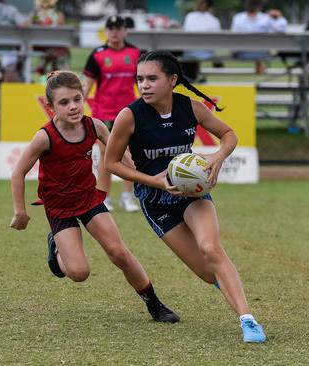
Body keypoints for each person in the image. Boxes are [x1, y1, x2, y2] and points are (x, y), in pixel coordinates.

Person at [104, 50, 267, 343]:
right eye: (140, 79)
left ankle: (248, 320)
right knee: (207, 273)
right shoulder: (129, 116)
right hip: (156, 202)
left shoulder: (191, 108)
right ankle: (230, 287)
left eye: (152, 78)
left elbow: (229, 134)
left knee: (211, 249)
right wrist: (152, 180)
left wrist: (218, 156)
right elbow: (111, 163)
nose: (145, 85)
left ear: (172, 80)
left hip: (192, 194)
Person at [10, 70, 179, 324]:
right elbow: (18, 172)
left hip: (89, 199)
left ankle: (154, 303)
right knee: (79, 273)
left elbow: (120, 155)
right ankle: (55, 248)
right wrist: (20, 212)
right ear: (50, 106)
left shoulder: (95, 126)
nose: (73, 107)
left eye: (77, 99)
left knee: (118, 252)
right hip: (59, 207)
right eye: (64, 103)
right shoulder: (44, 137)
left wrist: (145, 177)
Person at [83, 16, 141, 213]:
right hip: (103, 113)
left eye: (119, 28)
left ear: (125, 31)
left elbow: (142, 84)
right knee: (107, 155)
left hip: (128, 113)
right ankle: (104, 197)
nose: (115, 32)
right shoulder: (97, 55)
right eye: (111, 29)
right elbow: (87, 85)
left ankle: (128, 196)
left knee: (129, 155)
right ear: (106, 32)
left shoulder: (135, 53)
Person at [230, 0, 287, 74]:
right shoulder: (266, 18)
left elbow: (233, 36)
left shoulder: (237, 18)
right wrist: (279, 16)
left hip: (242, 52)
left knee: (255, 48)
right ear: (260, 6)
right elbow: (281, 29)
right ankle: (259, 63)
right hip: (260, 52)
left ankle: (259, 63)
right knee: (260, 49)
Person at [30, 0, 70, 75]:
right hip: (50, 46)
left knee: (52, 54)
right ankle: (53, 74)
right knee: (58, 53)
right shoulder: (58, 14)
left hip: (43, 46)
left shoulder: (36, 14)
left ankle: (43, 71)